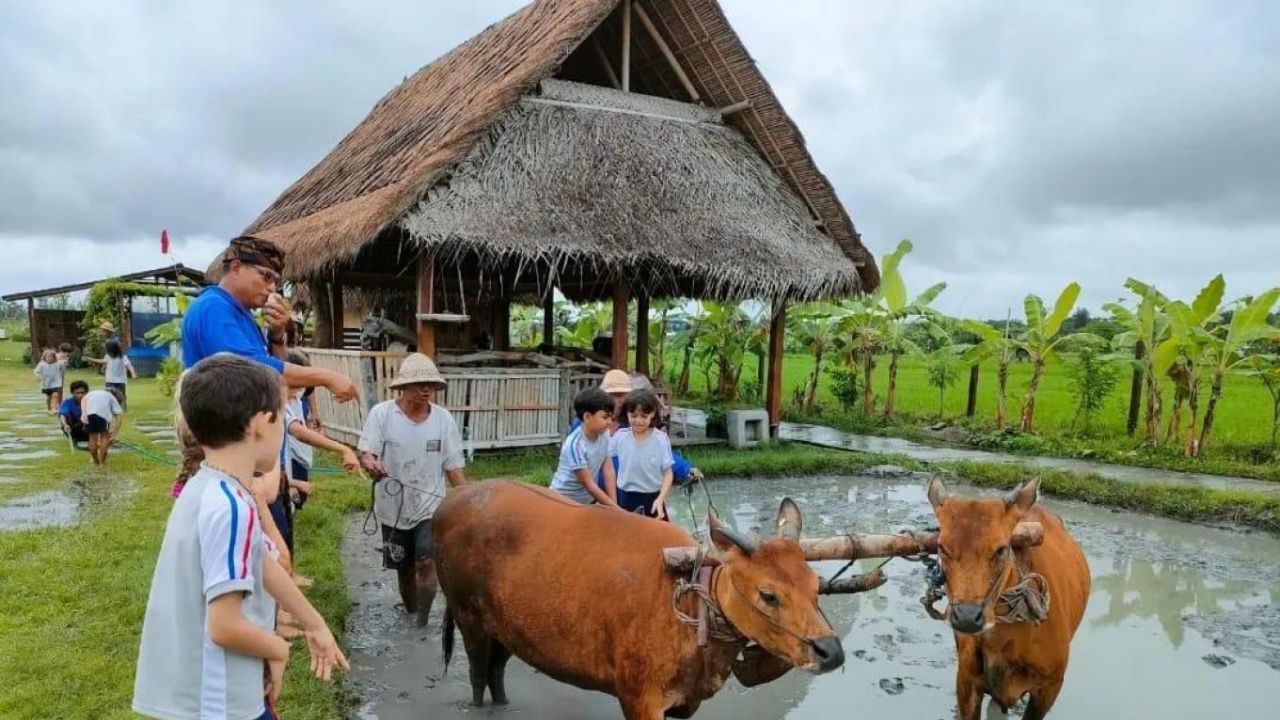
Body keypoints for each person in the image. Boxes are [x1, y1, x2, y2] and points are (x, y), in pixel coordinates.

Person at [133, 354, 348, 720]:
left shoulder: (208, 486)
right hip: (217, 702)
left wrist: (314, 623)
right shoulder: (231, 506)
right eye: (283, 417)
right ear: (264, 423)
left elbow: (261, 563)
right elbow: (225, 626)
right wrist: (277, 649)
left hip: (202, 693)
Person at [175, 234, 358, 489]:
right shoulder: (214, 309)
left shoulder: (243, 314)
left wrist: (277, 336)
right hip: (229, 455)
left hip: (250, 454)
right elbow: (254, 371)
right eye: (265, 276)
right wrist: (326, 377)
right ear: (236, 266)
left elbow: (273, 383)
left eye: (276, 280)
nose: (272, 287)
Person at [358, 353, 467, 627]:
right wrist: (372, 464)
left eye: (430, 384)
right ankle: (410, 613)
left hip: (430, 507)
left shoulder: (443, 420)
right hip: (392, 508)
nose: (426, 389)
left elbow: (454, 468)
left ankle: (422, 622)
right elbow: (366, 453)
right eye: (419, 384)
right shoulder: (382, 414)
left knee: (426, 563)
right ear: (403, 387)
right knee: (404, 569)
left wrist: (469, 501)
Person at [611, 389, 676, 520]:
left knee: (660, 537)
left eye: (644, 416)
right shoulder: (620, 437)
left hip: (653, 498)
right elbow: (604, 460)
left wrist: (661, 498)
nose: (638, 421)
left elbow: (668, 473)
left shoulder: (660, 439)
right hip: (626, 497)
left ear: (652, 414)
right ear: (627, 414)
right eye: (634, 416)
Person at [550, 387, 620, 508]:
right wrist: (616, 510)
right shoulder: (575, 445)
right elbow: (588, 484)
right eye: (605, 417)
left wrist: (614, 503)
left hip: (587, 500)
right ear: (587, 417)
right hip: (562, 501)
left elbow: (608, 468)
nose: (609, 422)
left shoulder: (605, 434)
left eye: (611, 417)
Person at [86, 338, 135, 409]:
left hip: (120, 380)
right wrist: (91, 359)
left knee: (122, 394)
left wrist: (133, 373)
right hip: (110, 379)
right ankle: (111, 407)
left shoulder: (122, 357)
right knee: (109, 394)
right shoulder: (108, 356)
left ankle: (123, 407)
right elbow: (103, 361)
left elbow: (129, 365)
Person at [81, 386, 124, 466]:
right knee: (104, 437)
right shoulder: (111, 398)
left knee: (92, 437)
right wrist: (113, 435)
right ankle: (102, 463)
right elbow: (118, 418)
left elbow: (84, 407)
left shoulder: (91, 394)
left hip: (88, 414)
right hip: (101, 416)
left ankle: (95, 461)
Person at [58, 380, 90, 449]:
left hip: (89, 426)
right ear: (72, 393)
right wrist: (65, 424)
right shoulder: (68, 402)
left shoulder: (91, 401)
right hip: (75, 427)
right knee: (66, 417)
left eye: (82, 393)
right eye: (77, 393)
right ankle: (74, 439)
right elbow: (62, 414)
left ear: (86, 393)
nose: (80, 395)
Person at [34, 348, 65, 415]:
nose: (50, 358)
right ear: (44, 357)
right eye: (48, 357)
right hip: (46, 384)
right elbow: (36, 371)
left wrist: (64, 362)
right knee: (48, 397)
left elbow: (62, 368)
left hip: (56, 383)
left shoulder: (57, 364)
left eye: (52, 357)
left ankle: (54, 408)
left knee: (55, 395)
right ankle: (49, 409)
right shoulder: (42, 364)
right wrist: (38, 376)